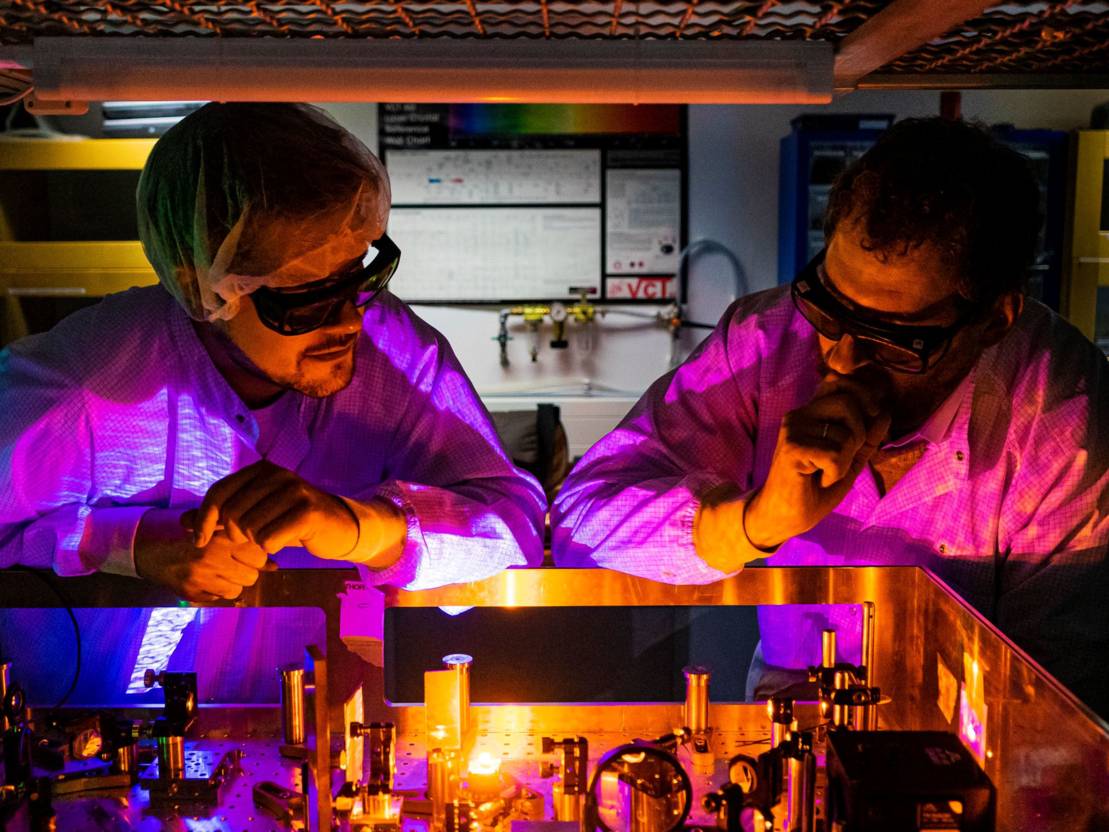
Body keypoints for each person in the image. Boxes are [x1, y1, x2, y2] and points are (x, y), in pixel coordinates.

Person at [552, 117, 1109, 715]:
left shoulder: (1061, 414)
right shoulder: (766, 344)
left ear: (995, 319)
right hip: (783, 718)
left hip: (962, 737)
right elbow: (580, 526)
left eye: (894, 338)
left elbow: (1051, 703)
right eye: (829, 307)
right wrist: (752, 522)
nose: (841, 358)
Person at [0, 102, 546, 600]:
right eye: (305, 300)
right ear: (202, 287)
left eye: (357, 278)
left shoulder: (398, 355)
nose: (349, 321)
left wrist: (361, 527)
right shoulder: (87, 385)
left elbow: (515, 524)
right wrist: (124, 541)